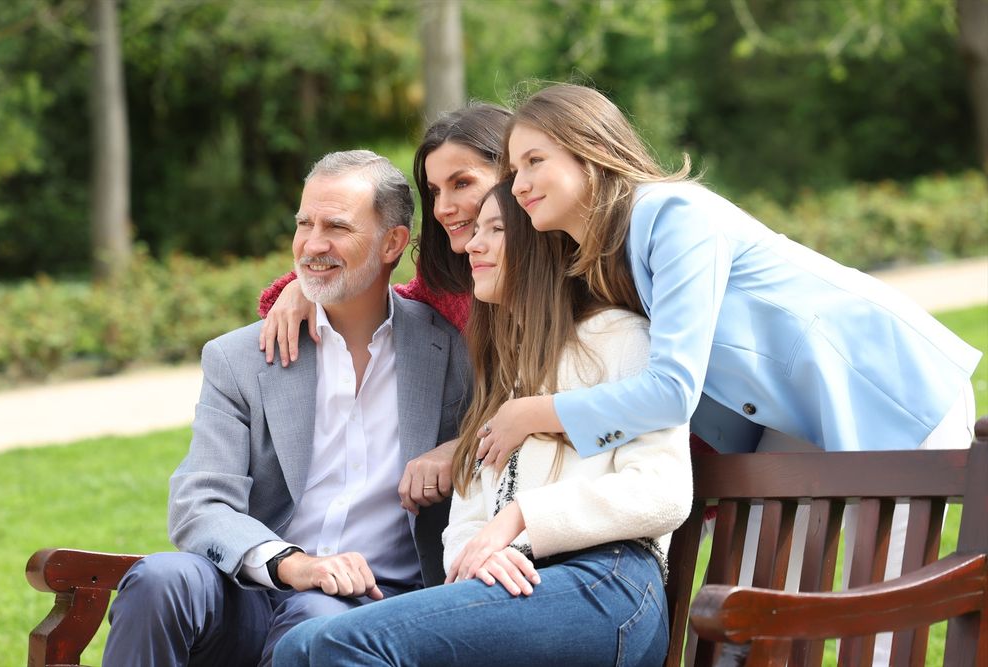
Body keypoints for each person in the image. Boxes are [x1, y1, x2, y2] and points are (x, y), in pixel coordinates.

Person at [475, 82, 981, 666]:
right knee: (758, 610)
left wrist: (532, 414)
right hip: (791, 416)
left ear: (590, 151)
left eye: (535, 161)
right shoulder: (605, 255)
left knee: (888, 630)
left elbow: (672, 390)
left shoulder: (671, 214)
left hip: (886, 387)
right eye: (514, 169)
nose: (519, 184)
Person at [272, 180, 692, 667]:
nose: (472, 243)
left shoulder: (618, 338)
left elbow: (663, 493)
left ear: (542, 245)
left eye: (495, 230)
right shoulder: (504, 375)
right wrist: (479, 555)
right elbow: (467, 521)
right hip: (519, 584)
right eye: (476, 230)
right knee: (300, 646)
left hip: (607, 585)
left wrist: (519, 521)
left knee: (333, 645)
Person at [102, 150, 472, 667]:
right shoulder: (237, 358)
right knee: (160, 579)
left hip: (370, 604)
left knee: (320, 624)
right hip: (252, 583)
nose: (312, 245)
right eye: (304, 223)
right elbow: (199, 504)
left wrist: (456, 450)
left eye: (336, 227)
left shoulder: (451, 353)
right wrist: (292, 564)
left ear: (392, 243)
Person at [256, 104, 511, 517]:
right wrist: (303, 287)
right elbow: (387, 297)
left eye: (461, 183)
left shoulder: (570, 281)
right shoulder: (451, 282)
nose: (443, 207)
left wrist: (459, 448)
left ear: (512, 175)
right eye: (434, 191)